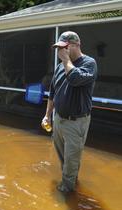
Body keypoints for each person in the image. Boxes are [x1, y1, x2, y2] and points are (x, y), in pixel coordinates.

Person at [42, 31, 97, 193]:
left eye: (64, 48)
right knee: (63, 157)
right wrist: (47, 116)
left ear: (75, 45)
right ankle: (72, 179)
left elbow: (75, 79)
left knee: (72, 158)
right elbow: (53, 93)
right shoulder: (60, 67)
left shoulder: (89, 63)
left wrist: (66, 60)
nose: (60, 52)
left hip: (76, 121)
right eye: (59, 48)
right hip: (59, 119)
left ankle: (67, 192)